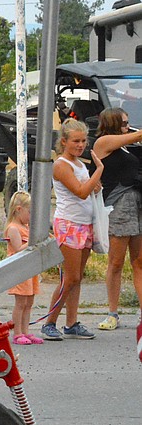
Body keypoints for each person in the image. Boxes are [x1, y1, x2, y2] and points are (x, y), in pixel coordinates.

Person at [40, 119, 104, 341]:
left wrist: (95, 184)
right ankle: (50, 322)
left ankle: (71, 322)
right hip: (69, 224)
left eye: (84, 141)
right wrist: (99, 171)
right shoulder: (61, 165)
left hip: (83, 222)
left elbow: (88, 189)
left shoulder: (79, 164)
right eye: (76, 141)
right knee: (70, 277)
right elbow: (80, 191)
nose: (81, 145)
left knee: (77, 278)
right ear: (64, 142)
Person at [91, 108, 142, 331]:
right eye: (123, 122)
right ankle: (112, 312)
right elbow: (136, 135)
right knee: (116, 262)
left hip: (136, 205)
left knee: (139, 262)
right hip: (118, 205)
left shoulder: (124, 146)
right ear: (112, 123)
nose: (127, 126)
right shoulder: (103, 142)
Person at [4, 190, 41, 344]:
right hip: (19, 270)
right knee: (21, 303)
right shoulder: (13, 228)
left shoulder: (26, 227)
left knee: (29, 302)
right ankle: (17, 333)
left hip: (30, 269)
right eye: (30, 212)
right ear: (19, 209)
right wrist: (33, 240)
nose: (31, 217)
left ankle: (26, 331)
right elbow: (18, 248)